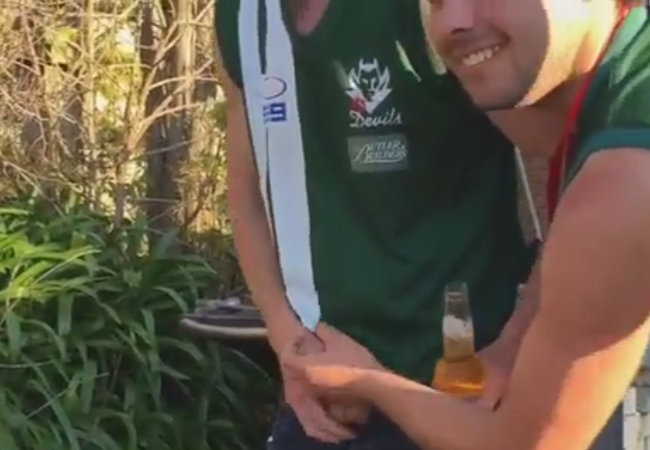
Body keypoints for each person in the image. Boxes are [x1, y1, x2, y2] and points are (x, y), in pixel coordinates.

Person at [284, 1, 650, 449]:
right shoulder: (613, 94)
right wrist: (510, 345)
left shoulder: (623, 182)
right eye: (438, 1)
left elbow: (524, 445)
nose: (455, 21)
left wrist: (363, 379)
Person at [207, 0, 539, 448]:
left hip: (460, 390)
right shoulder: (243, 17)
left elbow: (566, 182)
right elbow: (247, 193)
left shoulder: (445, 13)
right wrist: (289, 339)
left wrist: (511, 348)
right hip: (326, 396)